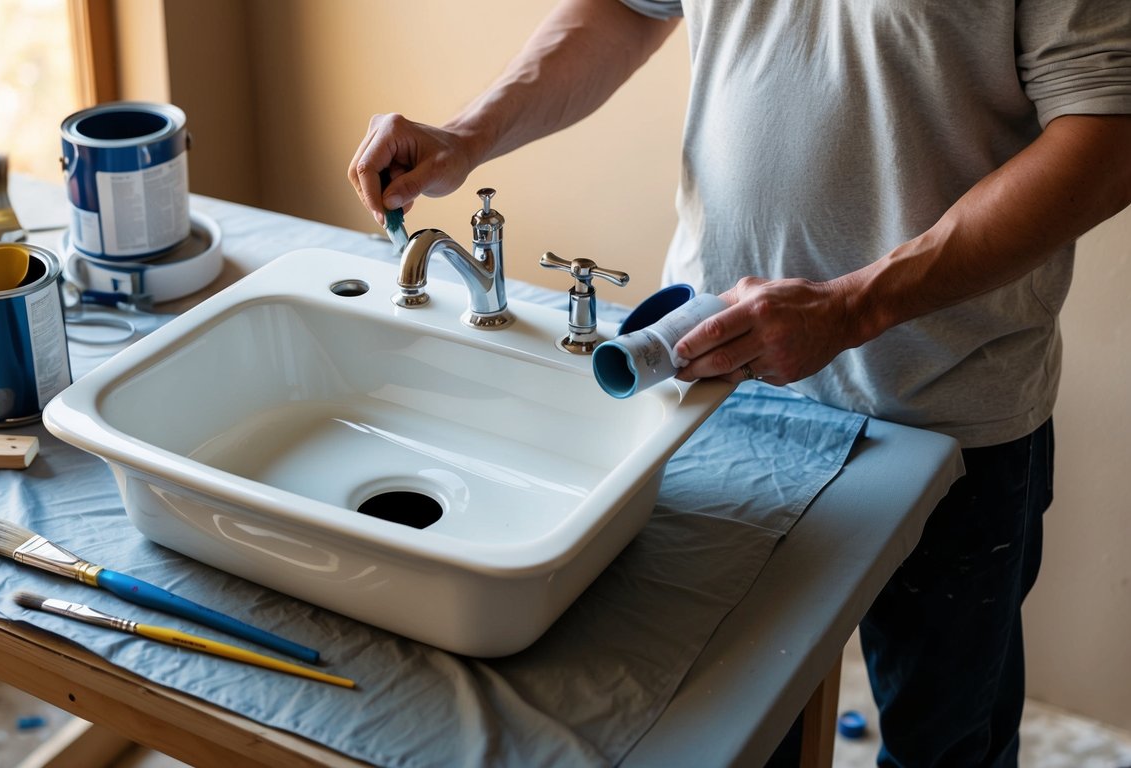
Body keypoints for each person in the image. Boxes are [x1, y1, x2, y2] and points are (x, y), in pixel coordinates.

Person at [348, 0, 1131, 765]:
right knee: (734, 721)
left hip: (944, 403)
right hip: (717, 373)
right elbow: (621, 9)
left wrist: (853, 306)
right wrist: (467, 132)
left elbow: (1108, 133)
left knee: (946, 739)